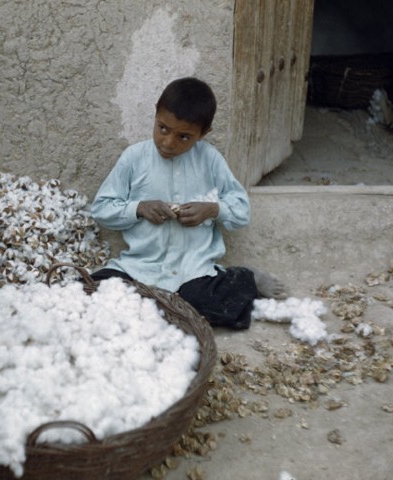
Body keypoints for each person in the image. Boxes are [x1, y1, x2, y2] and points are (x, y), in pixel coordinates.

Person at [90, 77, 285, 330]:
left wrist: (213, 210)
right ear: (156, 116)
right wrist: (138, 208)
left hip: (193, 272)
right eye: (162, 129)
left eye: (184, 137)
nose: (168, 142)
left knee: (203, 302)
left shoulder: (211, 161)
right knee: (95, 294)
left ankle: (244, 280)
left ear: (203, 134)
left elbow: (241, 211)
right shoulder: (134, 159)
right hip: (140, 268)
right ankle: (167, 306)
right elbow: (101, 209)